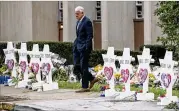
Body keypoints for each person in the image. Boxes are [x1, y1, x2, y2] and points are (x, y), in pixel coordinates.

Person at [73, 6, 99, 93]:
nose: (76, 15)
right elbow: (79, 35)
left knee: (83, 66)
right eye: (75, 13)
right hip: (77, 47)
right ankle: (92, 78)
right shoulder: (78, 22)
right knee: (77, 65)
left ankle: (85, 87)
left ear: (82, 13)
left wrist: (86, 47)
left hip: (84, 47)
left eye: (77, 13)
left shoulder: (87, 21)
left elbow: (90, 36)